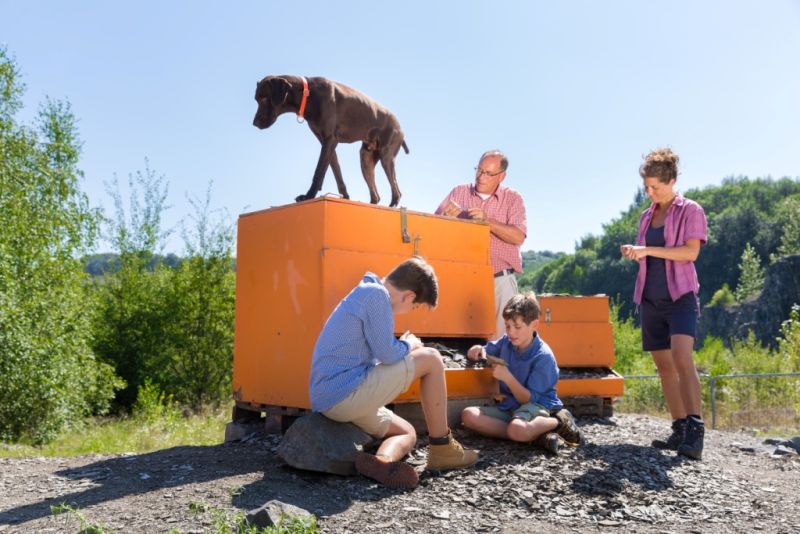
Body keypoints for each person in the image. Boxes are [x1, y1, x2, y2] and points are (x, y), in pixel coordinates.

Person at [309, 257, 479, 489]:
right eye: (415, 305)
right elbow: (389, 354)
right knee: (431, 358)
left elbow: (376, 356)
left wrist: (402, 348)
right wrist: (409, 344)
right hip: (344, 392)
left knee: (406, 432)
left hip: (331, 398)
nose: (410, 310)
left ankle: (382, 462)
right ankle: (442, 447)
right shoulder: (376, 295)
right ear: (408, 296)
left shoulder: (366, 291)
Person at [620, 147, 708, 460]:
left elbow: (689, 253)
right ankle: (679, 428)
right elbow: (648, 253)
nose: (650, 192)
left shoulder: (690, 210)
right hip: (650, 298)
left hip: (680, 296)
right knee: (663, 366)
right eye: (647, 187)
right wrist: (636, 252)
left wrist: (647, 250)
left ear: (671, 180)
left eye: (655, 186)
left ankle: (696, 430)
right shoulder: (647, 215)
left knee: (683, 359)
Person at [460, 292, 583, 454]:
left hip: (536, 406)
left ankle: (558, 422)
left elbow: (528, 398)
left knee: (516, 428)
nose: (511, 332)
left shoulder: (543, 356)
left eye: (517, 327)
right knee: (468, 416)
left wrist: (507, 377)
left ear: (534, 325)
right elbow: (485, 350)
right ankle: (534, 436)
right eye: (507, 326)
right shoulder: (507, 341)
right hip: (510, 406)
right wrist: (477, 350)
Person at [436, 150, 526, 339]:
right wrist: (444, 219)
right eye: (479, 170)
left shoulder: (513, 199)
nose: (481, 177)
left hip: (500, 281)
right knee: (457, 342)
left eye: (488, 173)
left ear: (501, 176)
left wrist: (488, 222)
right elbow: (433, 228)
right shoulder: (459, 192)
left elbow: (518, 236)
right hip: (461, 280)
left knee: (502, 343)